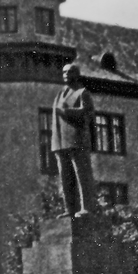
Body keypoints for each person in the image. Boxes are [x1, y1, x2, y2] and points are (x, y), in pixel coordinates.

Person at [51, 63, 96, 218]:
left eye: (69, 72)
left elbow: (88, 114)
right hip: (60, 141)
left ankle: (87, 208)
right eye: (63, 72)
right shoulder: (59, 94)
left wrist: (66, 112)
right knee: (65, 176)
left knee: (82, 175)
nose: (65, 75)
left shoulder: (82, 93)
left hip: (77, 140)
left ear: (76, 74)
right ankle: (69, 208)